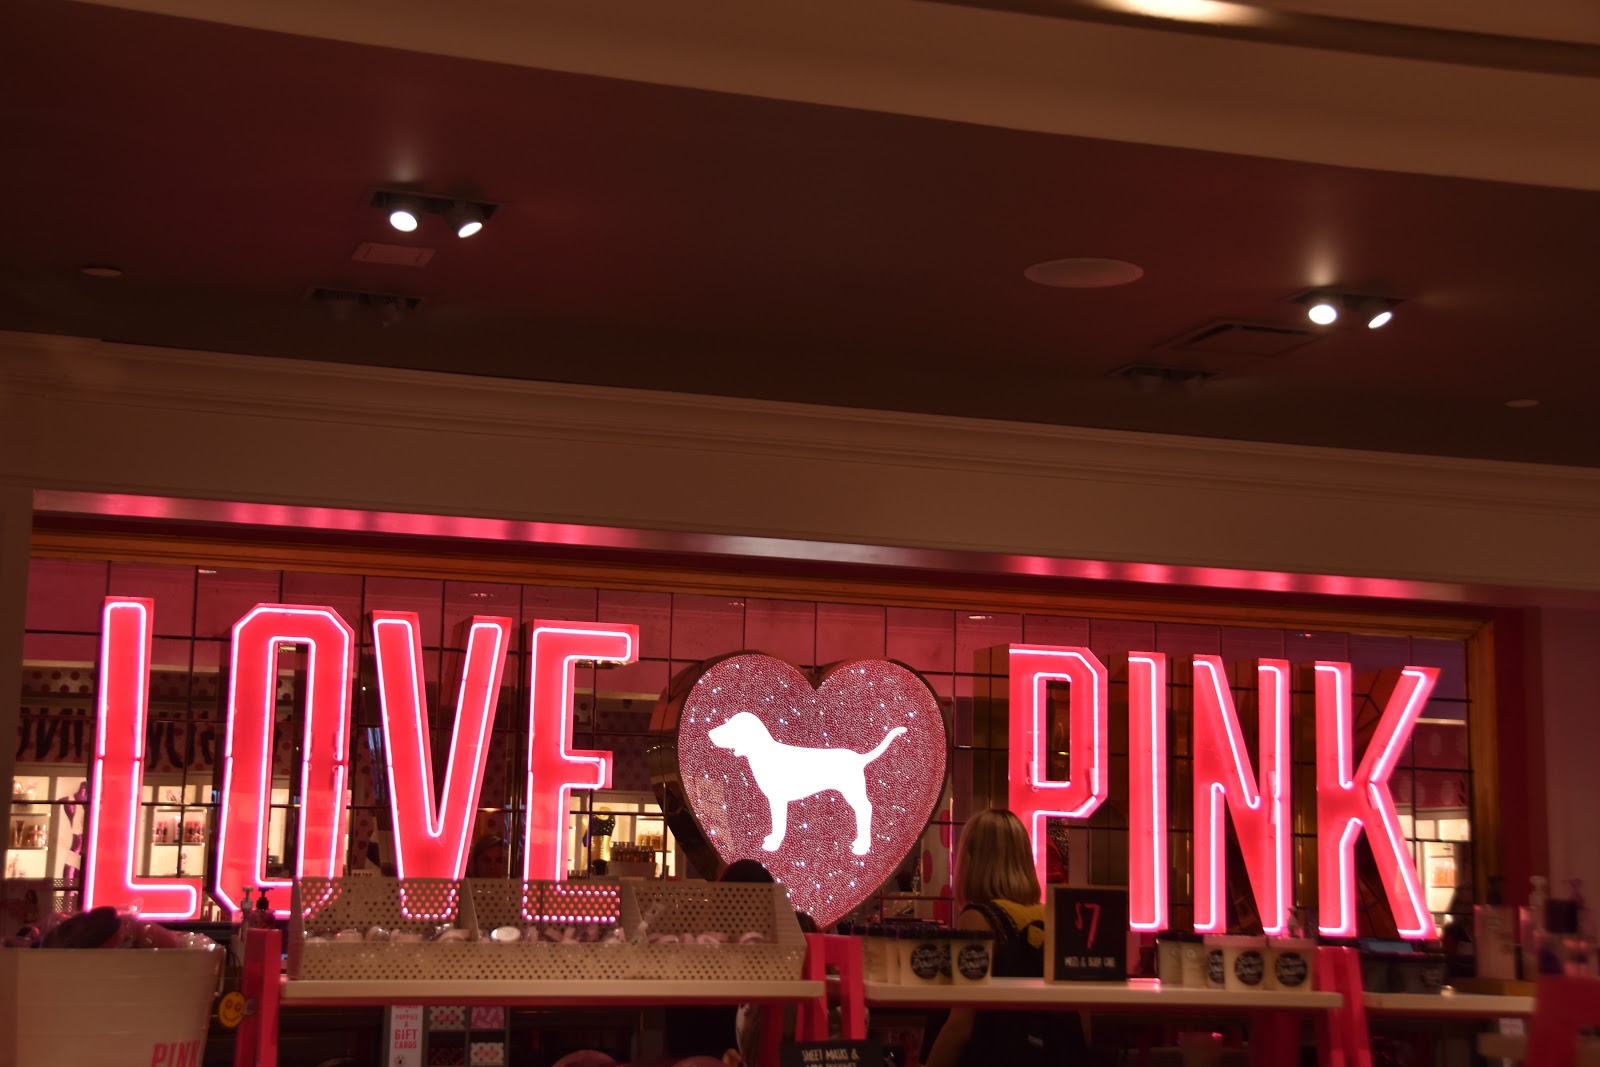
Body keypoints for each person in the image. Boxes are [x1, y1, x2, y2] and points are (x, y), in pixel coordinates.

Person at [924, 809, 1091, 1067]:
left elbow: (961, 1025)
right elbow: (1082, 1020)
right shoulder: (1055, 917)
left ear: (971, 860)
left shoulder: (978, 919)